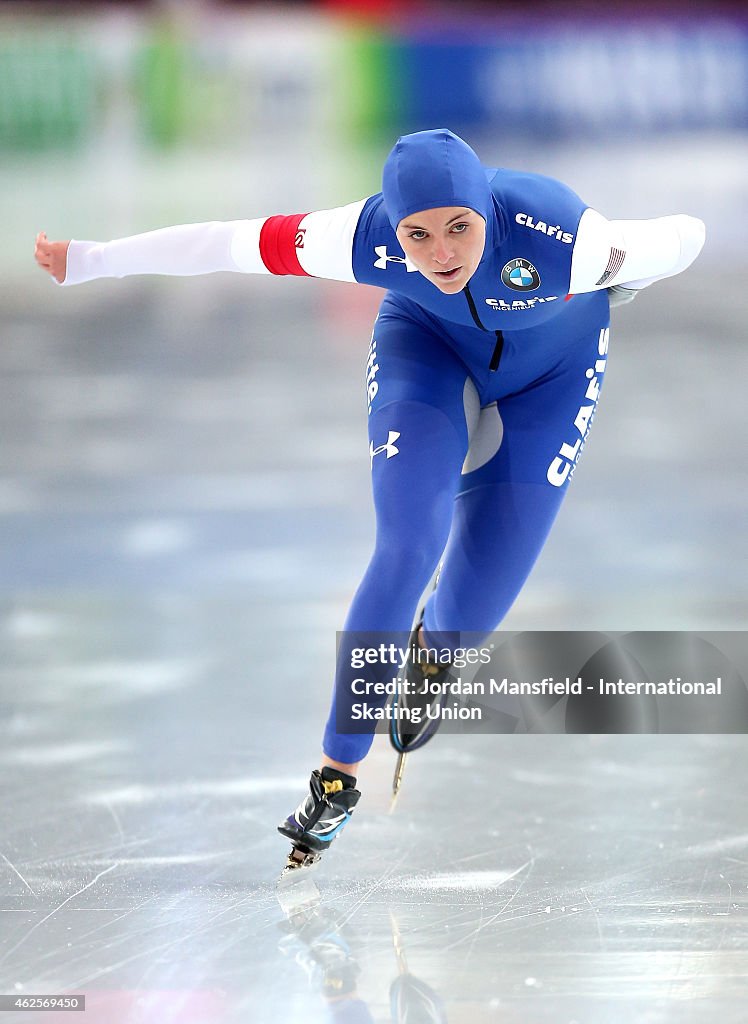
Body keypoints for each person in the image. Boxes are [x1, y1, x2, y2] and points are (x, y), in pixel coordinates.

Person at [35, 128, 705, 871]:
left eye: (460, 227)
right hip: (426, 350)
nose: (441, 253)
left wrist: (624, 275)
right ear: (394, 226)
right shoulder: (356, 238)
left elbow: (687, 236)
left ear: (488, 210)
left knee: (472, 612)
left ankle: (432, 657)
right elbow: (224, 242)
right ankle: (335, 776)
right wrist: (89, 260)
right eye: (417, 234)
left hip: (555, 375)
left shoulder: (572, 238)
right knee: (408, 544)